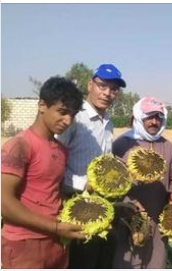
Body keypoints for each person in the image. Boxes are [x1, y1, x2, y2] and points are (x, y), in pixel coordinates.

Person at [1, 77, 85, 268]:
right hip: (25, 244)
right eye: (62, 112)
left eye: (73, 115)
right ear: (42, 106)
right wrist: (55, 227)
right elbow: (4, 203)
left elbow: (53, 193)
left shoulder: (61, 150)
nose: (68, 121)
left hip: (57, 242)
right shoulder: (19, 146)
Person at [56, 63, 126, 268]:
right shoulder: (74, 117)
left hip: (102, 205)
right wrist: (83, 184)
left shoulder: (108, 122)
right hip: (74, 204)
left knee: (101, 260)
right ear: (90, 85)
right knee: (81, 260)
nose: (107, 93)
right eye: (102, 86)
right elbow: (55, 160)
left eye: (113, 89)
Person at [111, 96, 172, 268]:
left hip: (157, 217)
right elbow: (111, 183)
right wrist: (129, 204)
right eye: (149, 117)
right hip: (127, 216)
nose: (154, 122)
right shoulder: (122, 144)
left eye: (158, 117)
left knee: (155, 260)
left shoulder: (168, 146)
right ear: (139, 117)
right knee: (125, 260)